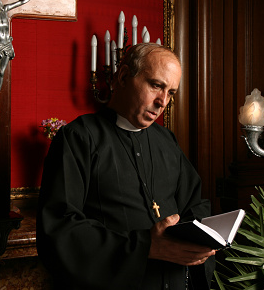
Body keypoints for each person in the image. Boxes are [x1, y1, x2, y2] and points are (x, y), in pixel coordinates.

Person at [37, 43, 216, 289]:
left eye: (171, 92)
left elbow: (195, 204)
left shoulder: (166, 140)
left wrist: (199, 238)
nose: (162, 101)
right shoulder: (79, 138)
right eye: (156, 85)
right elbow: (59, 229)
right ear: (122, 77)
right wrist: (145, 246)